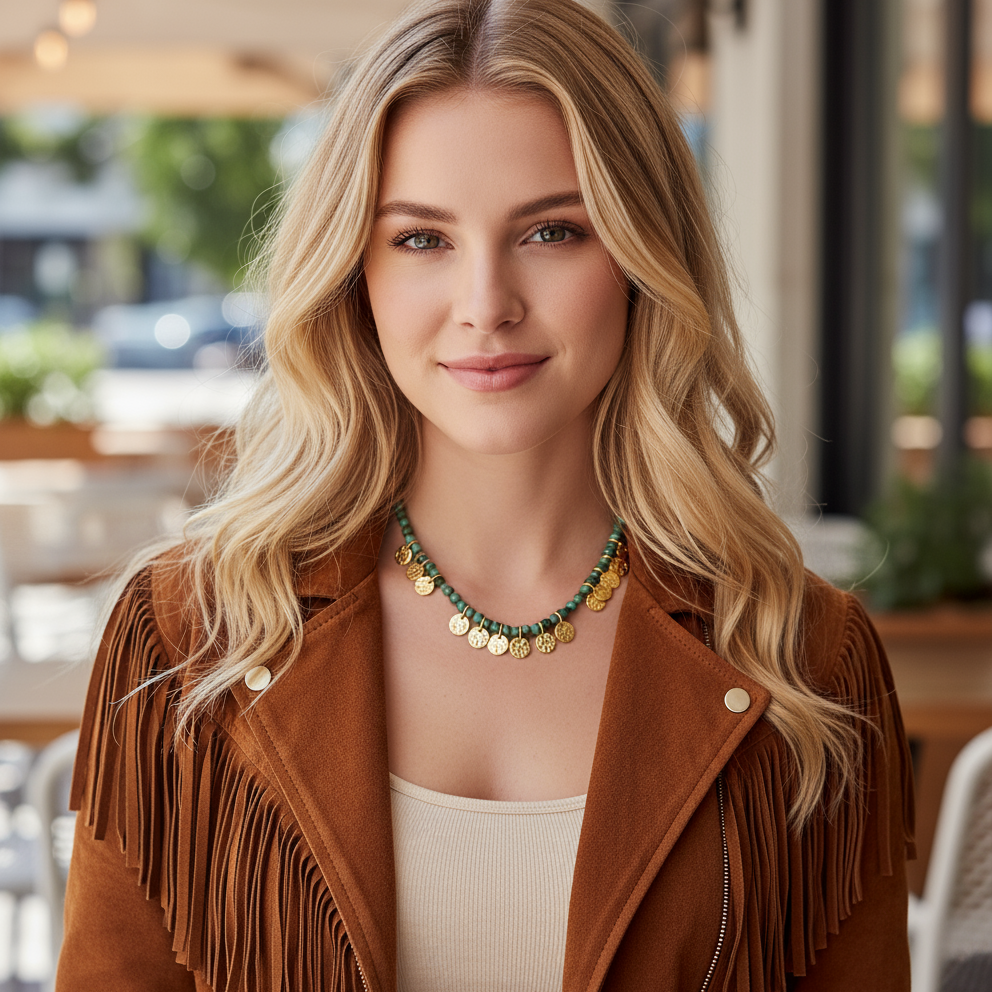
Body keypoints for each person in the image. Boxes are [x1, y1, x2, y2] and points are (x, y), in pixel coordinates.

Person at [56, 0, 915, 989]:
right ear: (353, 273)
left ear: (642, 260)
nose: (485, 304)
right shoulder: (189, 638)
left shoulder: (806, 659)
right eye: (421, 239)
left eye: (551, 230)